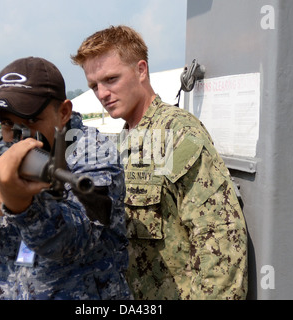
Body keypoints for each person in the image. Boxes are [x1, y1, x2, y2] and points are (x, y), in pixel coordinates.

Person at [0, 56, 132, 300]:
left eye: (30, 121)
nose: (19, 138)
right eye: (8, 124)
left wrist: (23, 205)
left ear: (63, 112)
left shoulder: (94, 152)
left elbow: (75, 240)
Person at [72, 25, 248, 300]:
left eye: (111, 79)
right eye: (94, 86)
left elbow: (220, 236)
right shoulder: (124, 142)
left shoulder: (177, 132)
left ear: (141, 70)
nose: (102, 94)